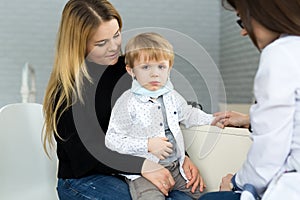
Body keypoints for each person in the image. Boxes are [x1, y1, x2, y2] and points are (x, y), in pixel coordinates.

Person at [42, 0, 204, 199]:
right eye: (101, 43)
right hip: (86, 177)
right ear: (78, 44)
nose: (114, 47)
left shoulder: (130, 70)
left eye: (116, 35)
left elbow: (160, 114)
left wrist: (181, 157)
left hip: (130, 170)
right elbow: (87, 154)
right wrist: (143, 166)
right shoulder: (67, 89)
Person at [201, 0, 300, 199]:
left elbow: (267, 160)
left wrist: (235, 182)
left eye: (242, 20)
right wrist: (250, 119)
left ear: (266, 12)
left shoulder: (282, 53)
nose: (244, 32)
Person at [105, 32, 221, 200]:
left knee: (202, 194)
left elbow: (188, 114)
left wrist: (214, 119)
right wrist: (147, 144)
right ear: (131, 70)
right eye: (146, 67)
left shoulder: (171, 96)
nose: (155, 74)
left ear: (169, 67)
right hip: (146, 172)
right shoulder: (128, 102)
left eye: (161, 66)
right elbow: (113, 139)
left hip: (176, 167)